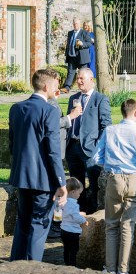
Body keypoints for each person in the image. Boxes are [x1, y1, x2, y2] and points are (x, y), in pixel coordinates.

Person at [92, 99, 136, 274]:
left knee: (111, 225)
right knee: (128, 226)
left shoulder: (109, 130)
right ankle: (123, 271)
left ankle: (110, 269)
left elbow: (96, 157)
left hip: (115, 179)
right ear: (135, 113)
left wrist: (111, 164)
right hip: (135, 180)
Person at [9, 69, 67, 261]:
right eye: (56, 84)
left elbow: (12, 144)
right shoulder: (49, 111)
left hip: (21, 176)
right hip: (43, 179)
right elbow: (53, 149)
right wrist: (61, 182)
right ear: (46, 86)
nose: (58, 87)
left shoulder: (16, 109)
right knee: (39, 226)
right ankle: (33, 268)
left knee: (23, 223)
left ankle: (15, 265)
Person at [65, 68, 112, 214]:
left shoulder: (100, 99)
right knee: (75, 183)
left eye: (81, 79)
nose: (78, 81)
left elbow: (106, 125)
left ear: (91, 80)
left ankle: (92, 213)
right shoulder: (74, 98)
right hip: (72, 146)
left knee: (93, 183)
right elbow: (69, 121)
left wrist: (97, 146)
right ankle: (77, 211)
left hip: (90, 149)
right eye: (77, 78)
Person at [47, 90, 82, 239]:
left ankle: (56, 223)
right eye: (56, 86)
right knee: (58, 191)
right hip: (54, 152)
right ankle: (55, 224)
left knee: (57, 191)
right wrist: (70, 117)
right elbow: (53, 125)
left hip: (60, 151)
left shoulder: (53, 103)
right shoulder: (50, 104)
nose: (59, 90)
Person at [60, 177, 88, 267]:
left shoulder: (62, 201)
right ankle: (72, 266)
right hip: (73, 232)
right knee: (73, 250)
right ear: (73, 192)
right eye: (79, 193)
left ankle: (66, 263)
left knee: (66, 249)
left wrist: (78, 213)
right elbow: (75, 217)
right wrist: (83, 220)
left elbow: (68, 213)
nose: (79, 195)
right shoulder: (73, 203)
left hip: (63, 230)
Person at [61, 17, 93, 93]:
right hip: (72, 56)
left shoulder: (84, 33)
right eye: (74, 24)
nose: (76, 25)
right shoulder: (70, 33)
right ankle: (67, 87)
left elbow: (89, 43)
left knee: (83, 74)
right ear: (73, 24)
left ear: (80, 24)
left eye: (77, 24)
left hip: (82, 57)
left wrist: (82, 44)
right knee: (70, 72)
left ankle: (85, 88)